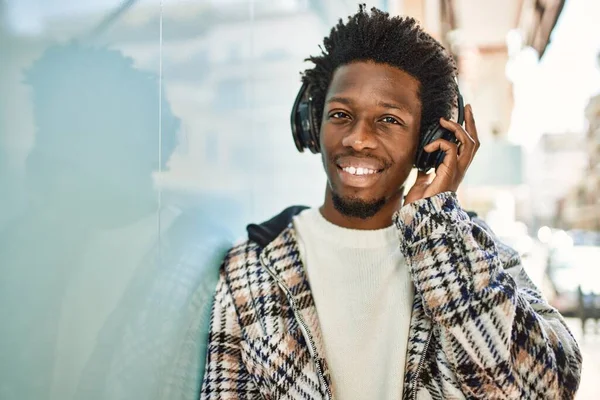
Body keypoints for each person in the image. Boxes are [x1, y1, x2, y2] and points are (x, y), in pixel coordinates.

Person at [200, 6, 582, 400]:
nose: (358, 138)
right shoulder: (252, 266)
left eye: (389, 120)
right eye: (341, 114)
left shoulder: (472, 252)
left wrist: (435, 235)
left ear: (429, 143)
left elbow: (544, 391)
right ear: (312, 124)